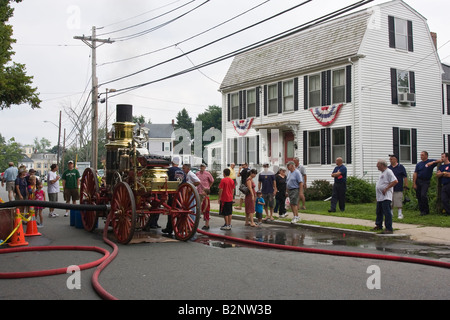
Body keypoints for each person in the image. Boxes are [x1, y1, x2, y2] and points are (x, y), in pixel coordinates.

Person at [373, 159, 398, 234]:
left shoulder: (388, 172)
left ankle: (389, 228)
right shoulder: (382, 173)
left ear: (382, 165)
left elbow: (395, 181)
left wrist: (386, 188)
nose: (377, 167)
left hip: (386, 196)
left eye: (378, 165)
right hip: (380, 197)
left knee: (387, 212)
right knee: (379, 211)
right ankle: (379, 225)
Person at [162, 156, 184, 236]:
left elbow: (164, 179)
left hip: (172, 194)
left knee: (171, 211)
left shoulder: (169, 170)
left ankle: (169, 228)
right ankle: (179, 228)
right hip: (180, 195)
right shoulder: (182, 172)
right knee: (178, 211)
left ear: (172, 162)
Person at [413, 151, 437, 216]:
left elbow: (440, 161)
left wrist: (432, 162)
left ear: (426, 156)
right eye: (420, 155)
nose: (421, 156)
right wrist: (414, 183)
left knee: (423, 195)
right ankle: (422, 210)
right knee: (419, 196)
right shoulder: (419, 164)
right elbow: (415, 173)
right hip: (419, 180)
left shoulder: (430, 161)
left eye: (422, 155)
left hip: (425, 181)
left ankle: (426, 209)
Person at [388, 154, 408, 219]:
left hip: (398, 186)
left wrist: (406, 185)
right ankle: (391, 213)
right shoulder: (389, 168)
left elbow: (405, 176)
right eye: (390, 159)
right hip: (390, 187)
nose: (390, 160)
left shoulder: (401, 167)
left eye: (391, 159)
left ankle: (400, 213)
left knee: (398, 200)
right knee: (391, 201)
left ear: (395, 159)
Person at [196, 164, 214, 230]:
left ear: (205, 167)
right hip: (199, 190)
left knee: (205, 202)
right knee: (199, 203)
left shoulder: (208, 174)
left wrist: (208, 187)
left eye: (203, 167)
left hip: (205, 190)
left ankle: (206, 223)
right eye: (201, 166)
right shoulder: (197, 173)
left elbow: (212, 180)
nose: (202, 168)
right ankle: (199, 214)